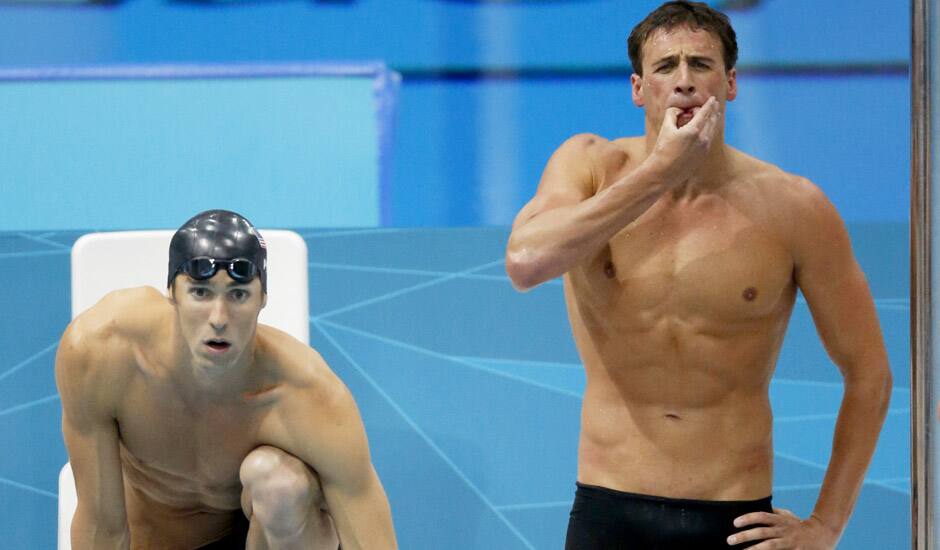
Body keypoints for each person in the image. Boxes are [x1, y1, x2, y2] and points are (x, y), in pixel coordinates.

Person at [504, 2, 892, 548]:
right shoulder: (589, 166)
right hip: (608, 508)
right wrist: (660, 173)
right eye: (666, 67)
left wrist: (827, 525)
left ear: (730, 83)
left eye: (701, 65)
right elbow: (525, 263)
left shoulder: (793, 207)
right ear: (638, 88)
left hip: (735, 519)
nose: (684, 81)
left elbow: (869, 373)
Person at [56, 210, 397, 549]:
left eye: (238, 294)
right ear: (172, 292)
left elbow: (368, 533)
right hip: (151, 541)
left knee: (279, 483)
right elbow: (101, 523)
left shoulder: (307, 393)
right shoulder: (104, 352)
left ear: (263, 298)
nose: (219, 318)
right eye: (201, 293)